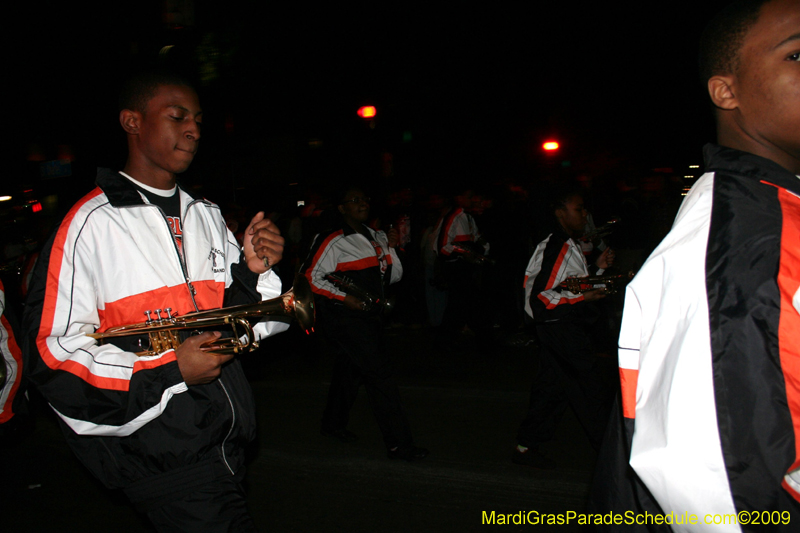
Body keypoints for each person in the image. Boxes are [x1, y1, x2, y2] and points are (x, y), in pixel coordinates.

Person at [22, 71, 288, 531]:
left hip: (226, 441)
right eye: (178, 116)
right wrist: (171, 372)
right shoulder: (91, 225)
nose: (195, 130)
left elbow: (247, 323)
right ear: (132, 122)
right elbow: (52, 358)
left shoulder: (206, 215)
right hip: (164, 457)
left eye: (199, 119)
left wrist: (253, 269)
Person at [593, 0, 800, 526]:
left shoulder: (776, 209)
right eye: (797, 54)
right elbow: (718, 496)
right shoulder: (731, 244)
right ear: (726, 91)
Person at [301, 187, 428, 461]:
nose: (362, 204)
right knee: (380, 376)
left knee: (350, 370)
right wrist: (343, 297)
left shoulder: (377, 236)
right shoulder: (333, 239)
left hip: (371, 315)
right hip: (346, 319)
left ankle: (332, 424)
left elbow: (392, 278)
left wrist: (391, 248)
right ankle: (399, 444)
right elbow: (309, 278)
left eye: (365, 199)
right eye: (354, 200)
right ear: (342, 208)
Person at [514, 189, 616, 469]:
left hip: (559, 327)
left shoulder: (568, 244)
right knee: (591, 392)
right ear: (561, 212)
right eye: (579, 209)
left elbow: (566, 285)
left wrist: (595, 272)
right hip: (561, 328)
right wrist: (585, 296)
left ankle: (526, 447)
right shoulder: (557, 246)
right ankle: (614, 459)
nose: (585, 215)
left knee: (553, 390)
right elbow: (539, 299)